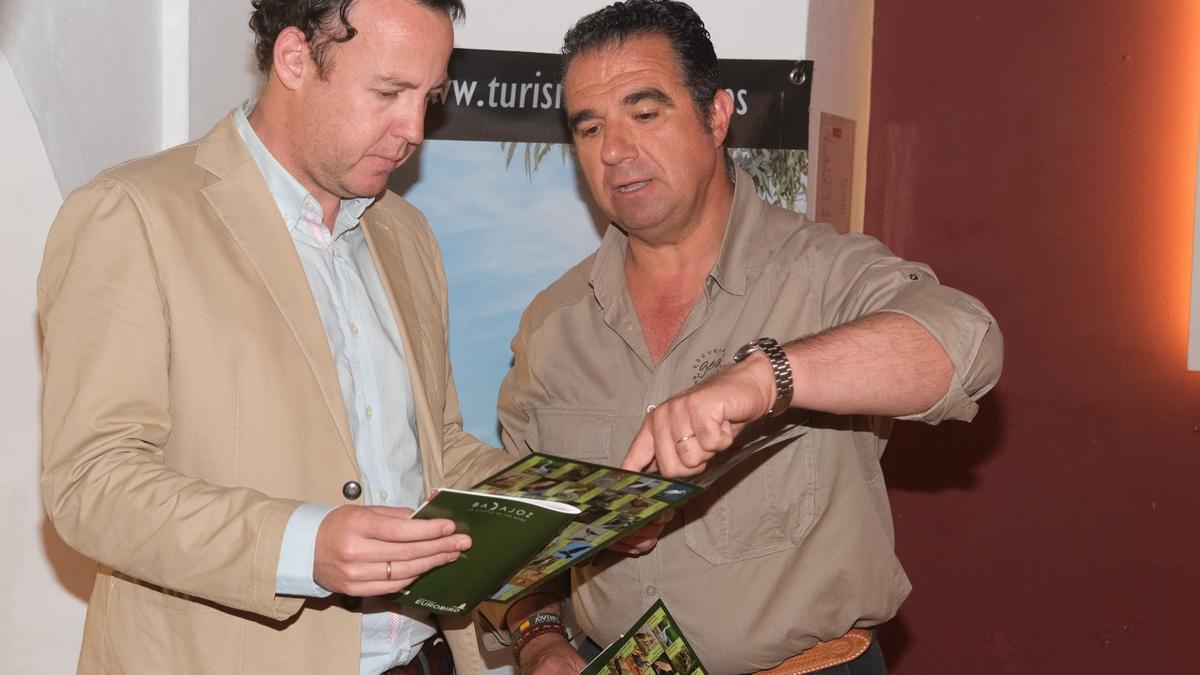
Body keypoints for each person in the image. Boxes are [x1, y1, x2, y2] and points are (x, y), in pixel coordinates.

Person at [494, 1, 1003, 673]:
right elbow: (522, 535)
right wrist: (542, 638)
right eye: (589, 128)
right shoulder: (551, 324)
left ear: (717, 114)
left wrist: (766, 378)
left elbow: (968, 345)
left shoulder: (819, 276)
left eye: (644, 113)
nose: (614, 150)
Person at [37, 1, 515, 673]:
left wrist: (566, 498)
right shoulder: (133, 214)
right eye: (388, 92)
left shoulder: (406, 235)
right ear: (294, 58)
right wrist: (300, 545)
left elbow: (434, 449)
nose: (414, 129)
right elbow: (92, 483)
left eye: (428, 98)